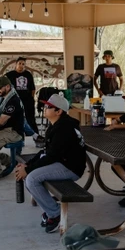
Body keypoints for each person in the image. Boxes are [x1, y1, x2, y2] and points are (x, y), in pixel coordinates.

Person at [14, 94, 87, 234]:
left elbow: (51, 156)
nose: (45, 108)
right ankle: (51, 212)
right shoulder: (57, 125)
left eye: (49, 106)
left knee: (31, 178)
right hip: (62, 162)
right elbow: (46, 151)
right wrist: (27, 165)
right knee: (29, 175)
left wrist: (28, 169)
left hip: (70, 168)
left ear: (58, 111)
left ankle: (54, 214)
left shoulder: (64, 129)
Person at [6, 57, 43, 147]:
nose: (21, 66)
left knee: (31, 120)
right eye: (20, 63)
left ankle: (37, 140)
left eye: (23, 64)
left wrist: (31, 99)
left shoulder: (28, 74)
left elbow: (32, 88)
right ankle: (19, 141)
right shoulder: (9, 75)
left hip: (27, 101)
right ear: (16, 64)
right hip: (15, 102)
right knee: (18, 121)